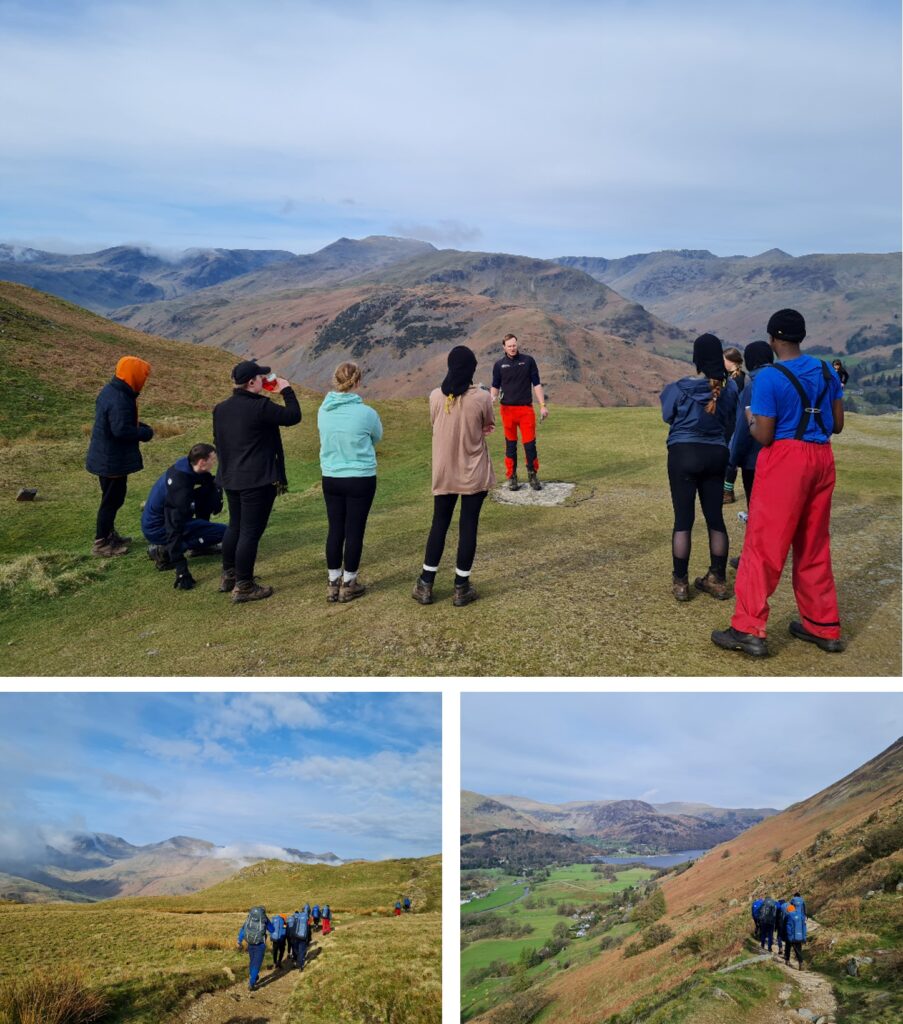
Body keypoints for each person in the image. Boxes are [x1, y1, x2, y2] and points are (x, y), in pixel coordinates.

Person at [712, 309, 845, 657]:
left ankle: (748, 629)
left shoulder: (769, 378)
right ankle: (823, 627)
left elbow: (766, 435)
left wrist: (751, 420)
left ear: (773, 339)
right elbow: (837, 424)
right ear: (801, 336)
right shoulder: (826, 370)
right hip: (822, 458)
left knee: (763, 548)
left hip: (786, 461)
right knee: (814, 545)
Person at [412, 346, 496, 607]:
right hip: (473, 471)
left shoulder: (435, 396)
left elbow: (434, 425)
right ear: (471, 369)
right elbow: (488, 425)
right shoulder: (482, 397)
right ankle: (461, 587)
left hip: (444, 471)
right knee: (468, 526)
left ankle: (426, 584)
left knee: (440, 523)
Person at [212, 360, 301, 602]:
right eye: (260, 378)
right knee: (250, 532)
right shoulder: (260, 407)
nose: (264, 380)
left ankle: (229, 575)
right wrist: (286, 389)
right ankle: (244, 586)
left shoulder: (220, 409)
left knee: (236, 526)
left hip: (231, 477)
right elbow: (293, 416)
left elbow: (219, 443)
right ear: (251, 382)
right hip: (256, 480)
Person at [660, 334, 739, 601]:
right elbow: (731, 422)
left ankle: (681, 583)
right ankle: (717, 579)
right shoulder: (730, 390)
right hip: (717, 454)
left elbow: (667, 415)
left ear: (696, 359)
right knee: (715, 518)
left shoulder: (679, 388)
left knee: (684, 520)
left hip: (683, 454)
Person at [318, 362, 383, 602]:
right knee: (355, 529)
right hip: (360, 477)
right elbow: (377, 436)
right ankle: (349, 582)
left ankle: (333, 581)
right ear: (357, 382)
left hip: (332, 476)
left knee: (335, 528)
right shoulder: (366, 413)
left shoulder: (323, 411)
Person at [85, 356, 154, 557]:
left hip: (107, 457)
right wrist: (144, 432)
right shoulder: (120, 398)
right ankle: (101, 543)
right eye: (142, 376)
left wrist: (138, 427)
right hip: (111, 461)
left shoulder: (113, 391)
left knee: (114, 498)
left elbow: (120, 423)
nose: (143, 381)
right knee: (111, 501)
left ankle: (108, 535)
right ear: (133, 375)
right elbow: (121, 430)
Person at [141, 442, 226, 588]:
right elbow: (173, 527)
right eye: (212, 459)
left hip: (163, 519)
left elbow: (208, 482)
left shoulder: (187, 466)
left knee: (207, 492)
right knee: (226, 532)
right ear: (202, 462)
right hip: (159, 528)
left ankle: (199, 547)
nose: (215, 462)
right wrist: (181, 570)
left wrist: (216, 495)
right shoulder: (179, 488)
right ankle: (164, 551)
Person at [726, 341, 775, 569]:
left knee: (755, 510)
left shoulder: (752, 388)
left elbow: (744, 429)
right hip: (782, 458)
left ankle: (752, 555)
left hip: (754, 461)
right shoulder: (782, 380)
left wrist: (732, 460)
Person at [490, 334, 548, 491]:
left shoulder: (528, 361)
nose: (512, 348)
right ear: (504, 347)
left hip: (525, 410)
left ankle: (532, 475)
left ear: (517, 344)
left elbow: (537, 384)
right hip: (507, 411)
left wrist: (542, 405)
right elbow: (495, 386)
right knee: (510, 445)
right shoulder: (499, 365)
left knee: (530, 445)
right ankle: (512, 477)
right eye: (509, 346)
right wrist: (491, 400)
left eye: (514, 345)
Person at [721, 346, 746, 504]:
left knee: (730, 459)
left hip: (733, 423)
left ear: (731, 361)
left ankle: (727, 492)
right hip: (736, 421)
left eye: (724, 359)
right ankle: (726, 490)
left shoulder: (735, 380)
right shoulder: (743, 377)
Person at [237, 905, 274, 991]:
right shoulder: (264, 919)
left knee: (252, 961)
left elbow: (243, 929)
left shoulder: (250, 917)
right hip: (260, 944)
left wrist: (239, 940)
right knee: (256, 964)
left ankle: (254, 976)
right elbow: (272, 930)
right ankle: (252, 983)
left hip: (250, 943)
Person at [783, 897, 807, 969]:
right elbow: (804, 927)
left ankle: (787, 960)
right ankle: (801, 962)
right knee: (798, 950)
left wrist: (786, 935)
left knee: (788, 947)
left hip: (790, 936)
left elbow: (786, 926)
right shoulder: (801, 916)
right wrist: (804, 937)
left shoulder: (788, 915)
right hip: (799, 936)